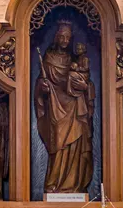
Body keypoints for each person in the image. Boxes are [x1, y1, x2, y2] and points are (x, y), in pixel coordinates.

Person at [34, 21, 93, 193]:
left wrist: (82, 85)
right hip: (55, 105)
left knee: (76, 145)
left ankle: (74, 186)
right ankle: (53, 185)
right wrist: (42, 88)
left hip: (74, 106)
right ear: (57, 37)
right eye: (62, 36)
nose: (65, 40)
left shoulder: (74, 61)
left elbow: (85, 82)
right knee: (58, 144)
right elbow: (40, 82)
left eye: (68, 37)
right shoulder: (48, 58)